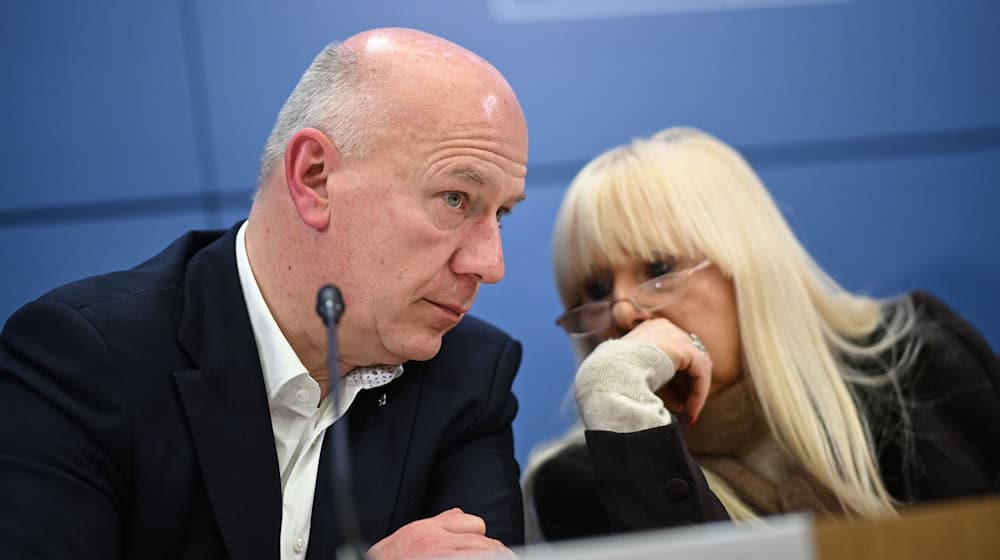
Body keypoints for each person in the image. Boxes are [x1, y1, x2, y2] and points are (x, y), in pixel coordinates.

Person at [0, 28, 529, 559]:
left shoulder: (470, 376)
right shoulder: (85, 361)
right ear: (315, 178)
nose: (490, 264)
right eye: (456, 198)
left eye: (501, 214)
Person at [524, 127, 1000, 541]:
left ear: (746, 267)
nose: (624, 312)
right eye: (596, 288)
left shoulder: (920, 360)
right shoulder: (580, 483)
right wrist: (617, 399)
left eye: (660, 267)